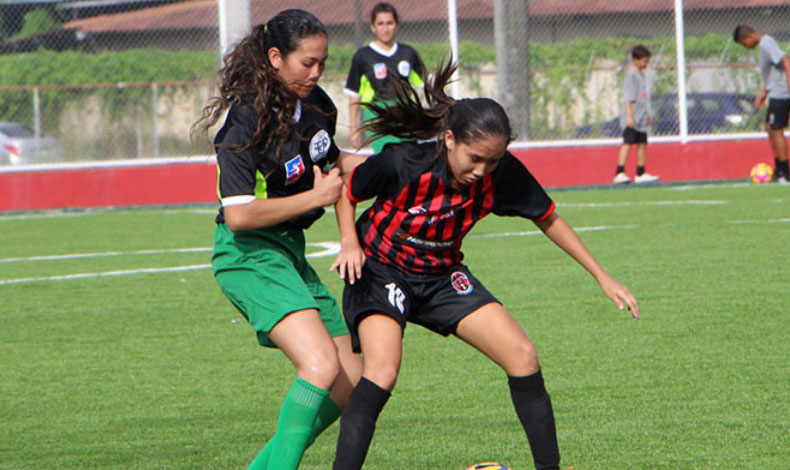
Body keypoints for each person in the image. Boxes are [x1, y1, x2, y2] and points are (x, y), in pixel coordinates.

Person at [329, 60, 640, 470]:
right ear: (450, 139)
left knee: (523, 355)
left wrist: (602, 275)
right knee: (382, 371)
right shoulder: (404, 163)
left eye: (492, 161)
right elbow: (345, 190)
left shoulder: (501, 173)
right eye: (475, 158)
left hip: (441, 276)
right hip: (382, 271)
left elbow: (547, 217)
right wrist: (349, 242)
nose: (482, 171)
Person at [191, 9, 364, 470]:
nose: (316, 72)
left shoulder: (318, 108)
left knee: (351, 376)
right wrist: (316, 195)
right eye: (307, 62)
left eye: (323, 62)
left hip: (289, 253)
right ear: (275, 57)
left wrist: (349, 238)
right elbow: (241, 214)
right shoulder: (245, 122)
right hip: (247, 255)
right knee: (321, 366)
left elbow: (334, 171)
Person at [344, 2, 424, 152]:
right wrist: (354, 128)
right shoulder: (363, 56)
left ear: (397, 25)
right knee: (387, 156)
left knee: (411, 156)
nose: (385, 29)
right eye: (380, 24)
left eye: (389, 23)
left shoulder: (408, 53)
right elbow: (353, 94)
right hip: (377, 113)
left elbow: (424, 86)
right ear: (373, 27)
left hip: (405, 111)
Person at [734, 24, 790, 183]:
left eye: (743, 44)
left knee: (776, 129)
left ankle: (785, 174)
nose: (746, 47)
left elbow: (785, 60)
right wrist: (764, 94)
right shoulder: (764, 45)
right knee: (769, 127)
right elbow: (773, 71)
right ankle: (779, 169)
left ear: (748, 37)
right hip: (776, 92)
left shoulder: (766, 43)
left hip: (782, 93)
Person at [613, 45, 659, 184]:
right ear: (636, 60)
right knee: (628, 143)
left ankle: (640, 172)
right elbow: (628, 98)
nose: (646, 64)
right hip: (632, 116)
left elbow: (643, 97)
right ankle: (619, 172)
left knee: (642, 143)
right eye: (644, 61)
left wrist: (647, 114)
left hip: (642, 116)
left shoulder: (642, 75)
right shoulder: (631, 76)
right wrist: (629, 117)